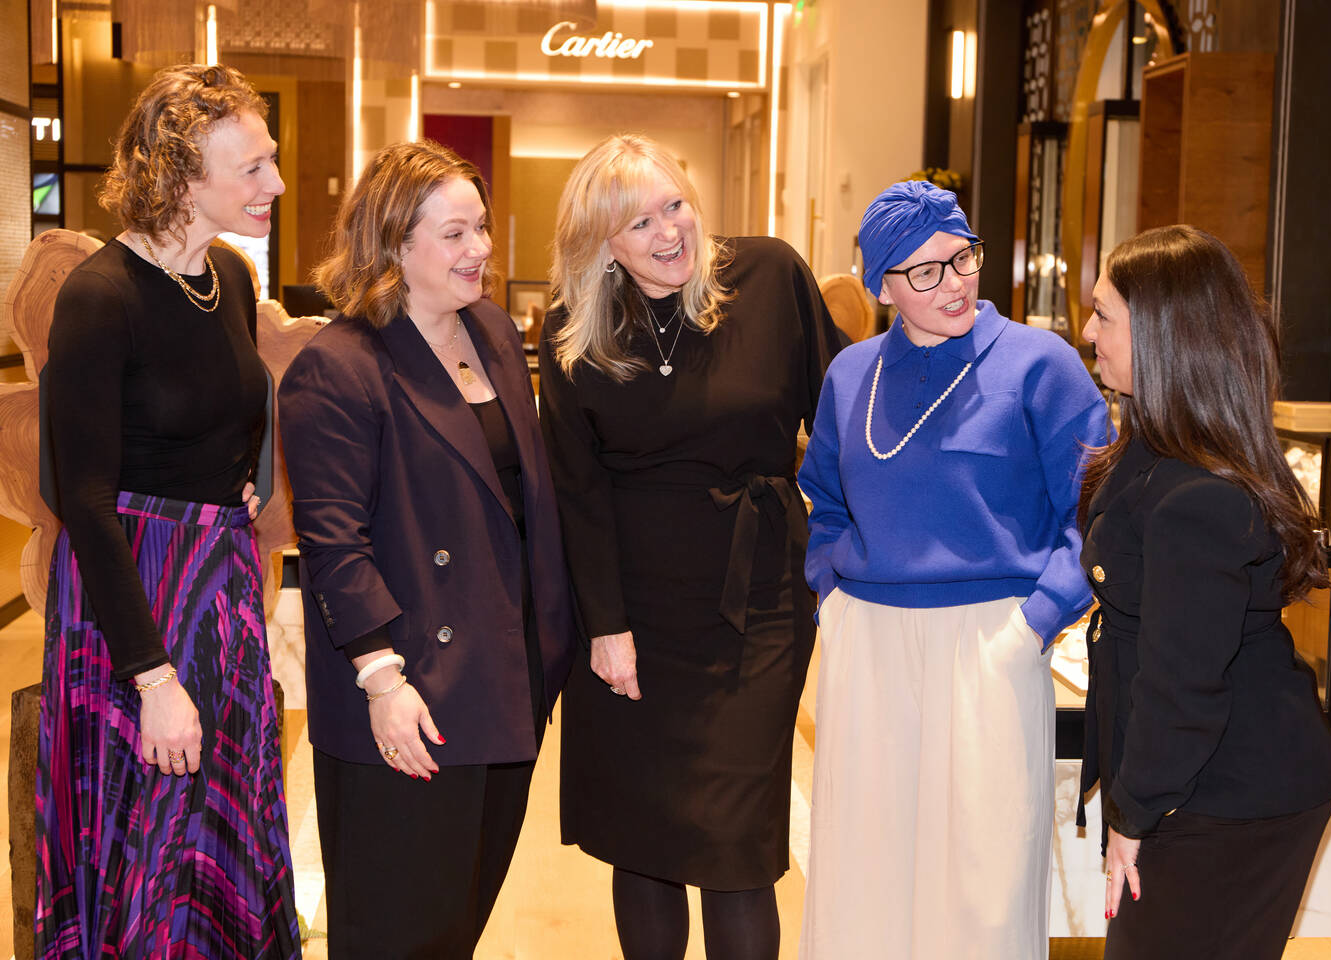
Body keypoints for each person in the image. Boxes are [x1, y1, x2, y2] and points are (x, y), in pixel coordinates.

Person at [539, 133, 846, 960]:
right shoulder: (573, 324)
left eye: (675, 204)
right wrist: (605, 627)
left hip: (760, 602)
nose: (669, 231)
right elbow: (578, 486)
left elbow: (849, 421)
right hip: (632, 613)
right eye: (639, 223)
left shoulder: (771, 277)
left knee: (737, 847)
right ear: (602, 244)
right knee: (645, 837)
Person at [277, 138, 576, 958]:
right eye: (454, 233)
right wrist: (382, 682)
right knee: (395, 938)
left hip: (503, 684)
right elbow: (335, 543)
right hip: (409, 699)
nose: (480, 249)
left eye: (480, 227)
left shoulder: (489, 332)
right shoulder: (336, 367)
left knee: (456, 928)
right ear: (393, 244)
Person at [797, 179, 1108, 959]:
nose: (956, 282)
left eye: (962, 257)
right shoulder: (852, 375)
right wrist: (832, 597)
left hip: (992, 640)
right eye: (925, 271)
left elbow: (1097, 514)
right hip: (868, 638)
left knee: (985, 878)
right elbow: (826, 503)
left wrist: (1033, 621)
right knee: (861, 868)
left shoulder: (1043, 364)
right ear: (884, 286)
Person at [36, 63, 299, 958]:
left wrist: (236, 481)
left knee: (221, 827)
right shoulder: (98, 296)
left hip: (219, 585)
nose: (276, 182)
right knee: (149, 839)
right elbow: (79, 498)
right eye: (254, 167)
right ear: (183, 180)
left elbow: (224, 419)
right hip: (132, 601)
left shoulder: (225, 273)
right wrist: (151, 678)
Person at [1077, 224, 1331, 959]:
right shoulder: (1158, 447)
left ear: (1165, 336)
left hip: (1232, 792)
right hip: (1202, 779)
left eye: (1104, 315)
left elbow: (1183, 685)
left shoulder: (1198, 491)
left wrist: (1132, 817)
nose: (1087, 330)